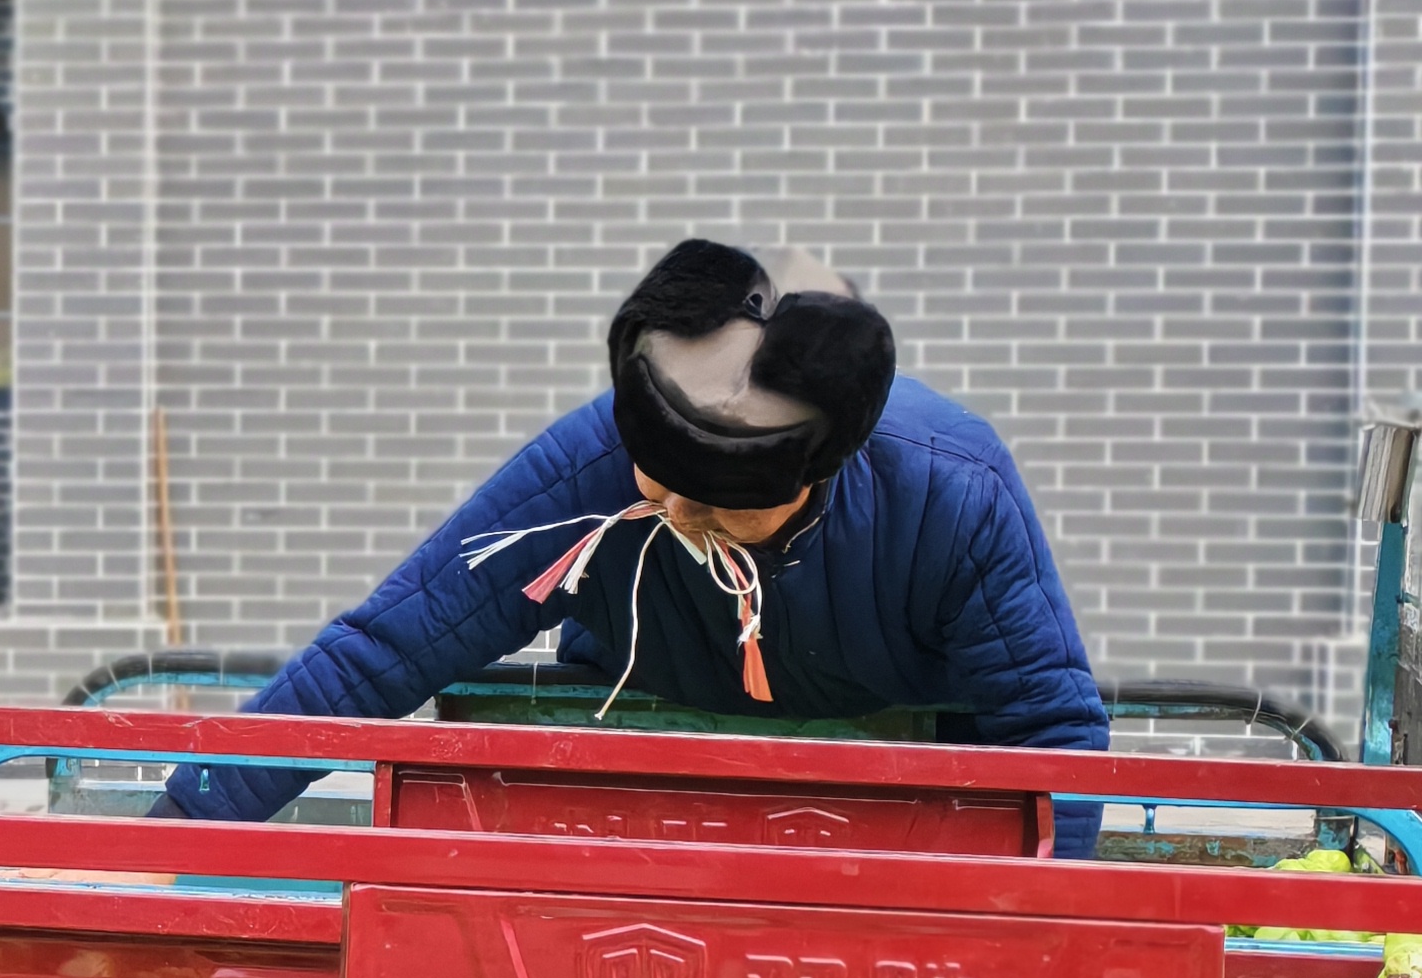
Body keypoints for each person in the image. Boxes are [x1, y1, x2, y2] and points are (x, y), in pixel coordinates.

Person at [162, 239, 1110, 851]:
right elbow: (383, 652)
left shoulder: (951, 491)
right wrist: (172, 839)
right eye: (652, 477)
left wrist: (1032, 925)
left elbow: (1051, 732)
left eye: (713, 501)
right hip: (632, 791)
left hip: (882, 810)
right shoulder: (593, 468)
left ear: (813, 477)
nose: (664, 506)